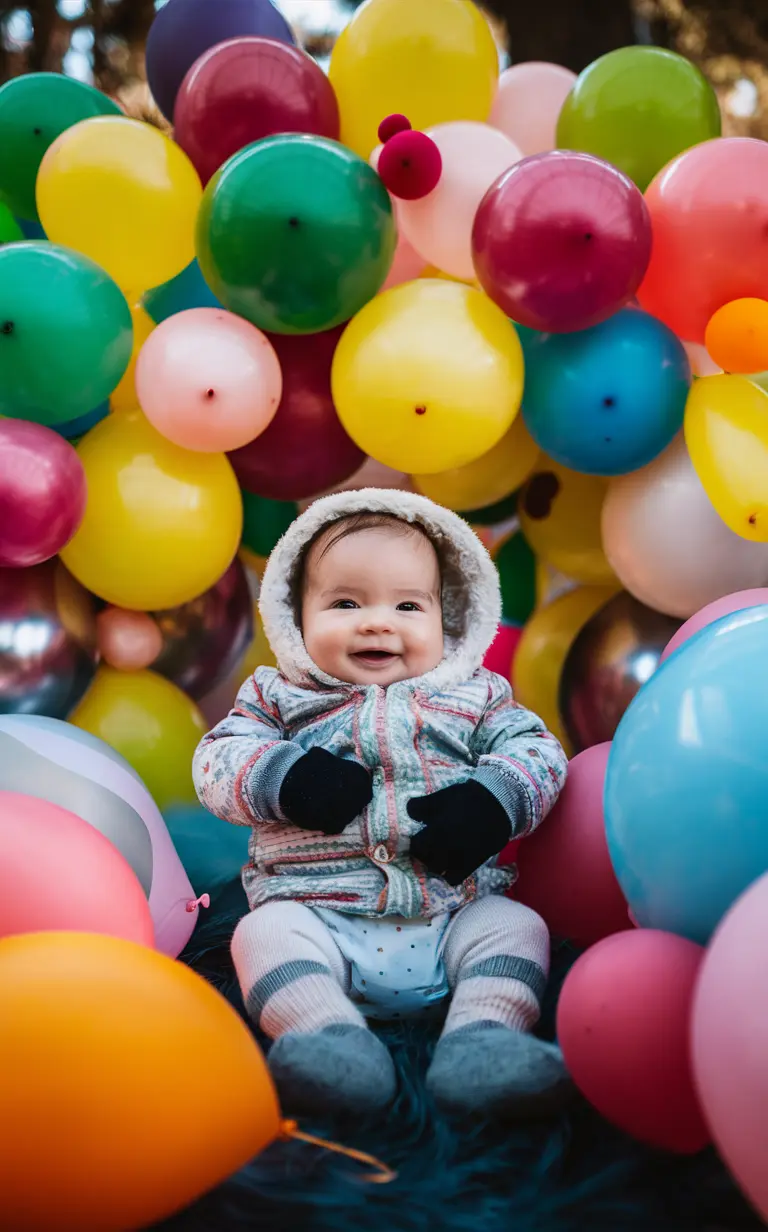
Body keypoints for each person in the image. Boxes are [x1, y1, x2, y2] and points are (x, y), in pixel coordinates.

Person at [193, 488, 569, 1118]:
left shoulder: (477, 696)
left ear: (447, 618)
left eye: (407, 605)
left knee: (518, 928)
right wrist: (285, 777)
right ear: (295, 616)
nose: (377, 622)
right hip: (318, 915)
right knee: (261, 934)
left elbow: (539, 752)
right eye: (345, 602)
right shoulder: (277, 696)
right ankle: (325, 1039)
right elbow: (216, 760)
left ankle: (483, 1039)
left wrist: (492, 802)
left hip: (453, 913)